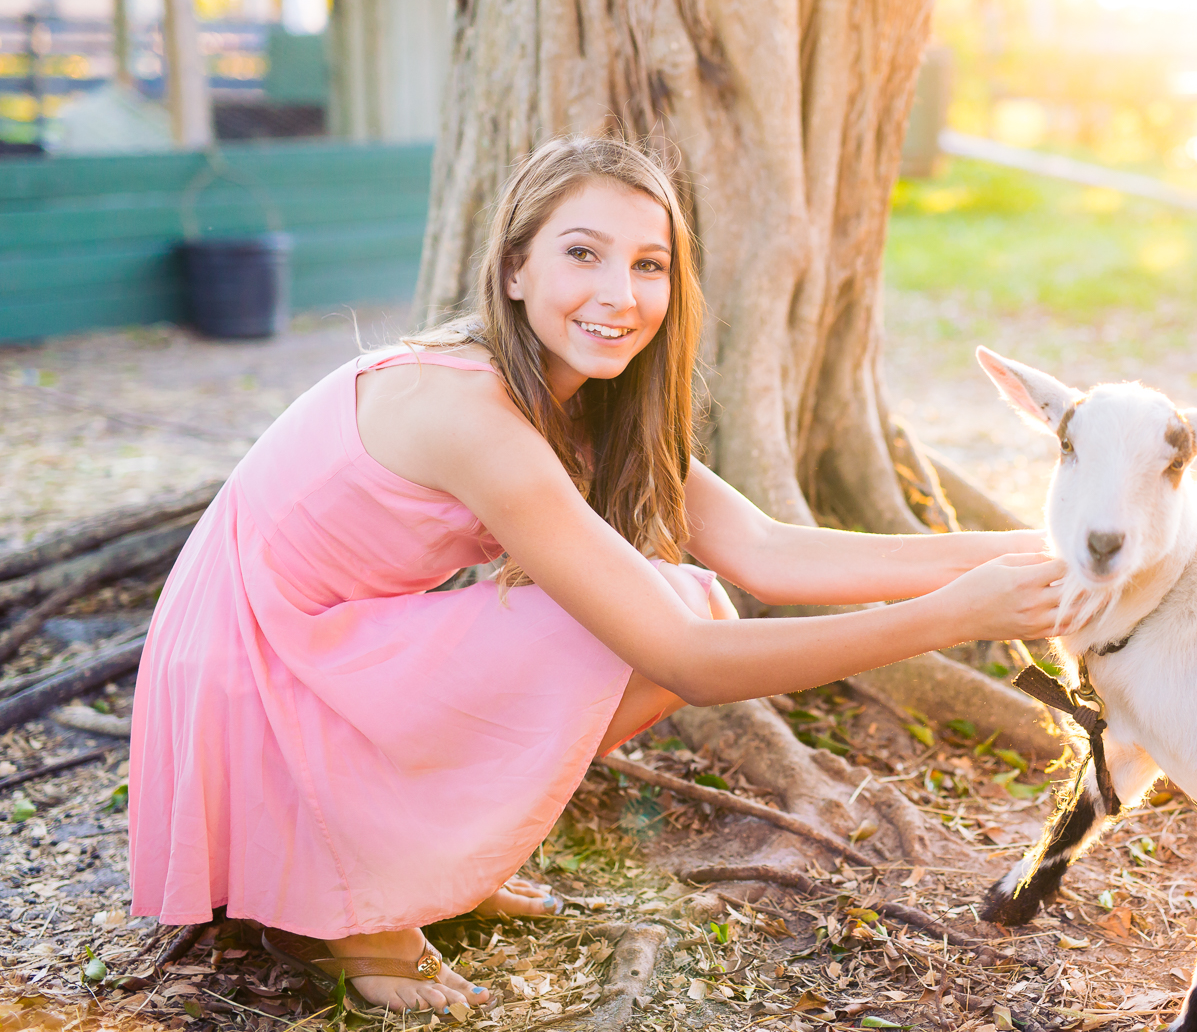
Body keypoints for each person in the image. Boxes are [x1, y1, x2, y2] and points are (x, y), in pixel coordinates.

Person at [128, 135, 1065, 1015]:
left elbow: (770, 549)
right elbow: (691, 662)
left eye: (648, 264)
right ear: (514, 270)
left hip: (313, 647)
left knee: (683, 591)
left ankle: (415, 855)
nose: (619, 293)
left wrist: (1019, 550)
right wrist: (949, 618)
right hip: (249, 677)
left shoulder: (576, 403)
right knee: (663, 619)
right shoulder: (469, 408)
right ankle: (348, 904)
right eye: (583, 253)